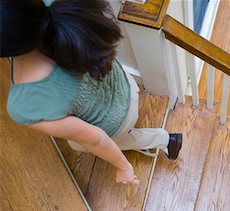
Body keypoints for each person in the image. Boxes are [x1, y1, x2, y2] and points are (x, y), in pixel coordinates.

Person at [0, 0, 182, 185]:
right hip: (126, 83)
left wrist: (123, 167)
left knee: (76, 143)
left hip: (118, 120)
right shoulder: (61, 9)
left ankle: (166, 140)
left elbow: (98, 140)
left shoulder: (23, 105)